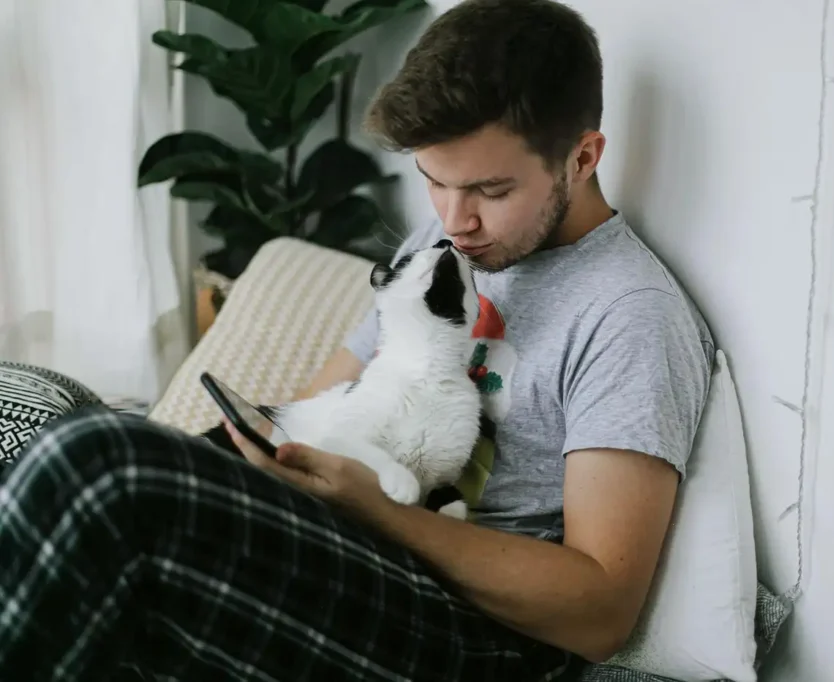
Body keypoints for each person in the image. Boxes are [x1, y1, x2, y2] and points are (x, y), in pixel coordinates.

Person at [0, 0, 713, 680]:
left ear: (583, 158)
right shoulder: (444, 237)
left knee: (100, 466)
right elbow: (324, 405)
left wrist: (379, 509)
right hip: (353, 544)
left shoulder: (630, 315)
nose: (454, 221)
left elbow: (600, 613)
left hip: (470, 631)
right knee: (41, 440)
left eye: (491, 192)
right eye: (434, 181)